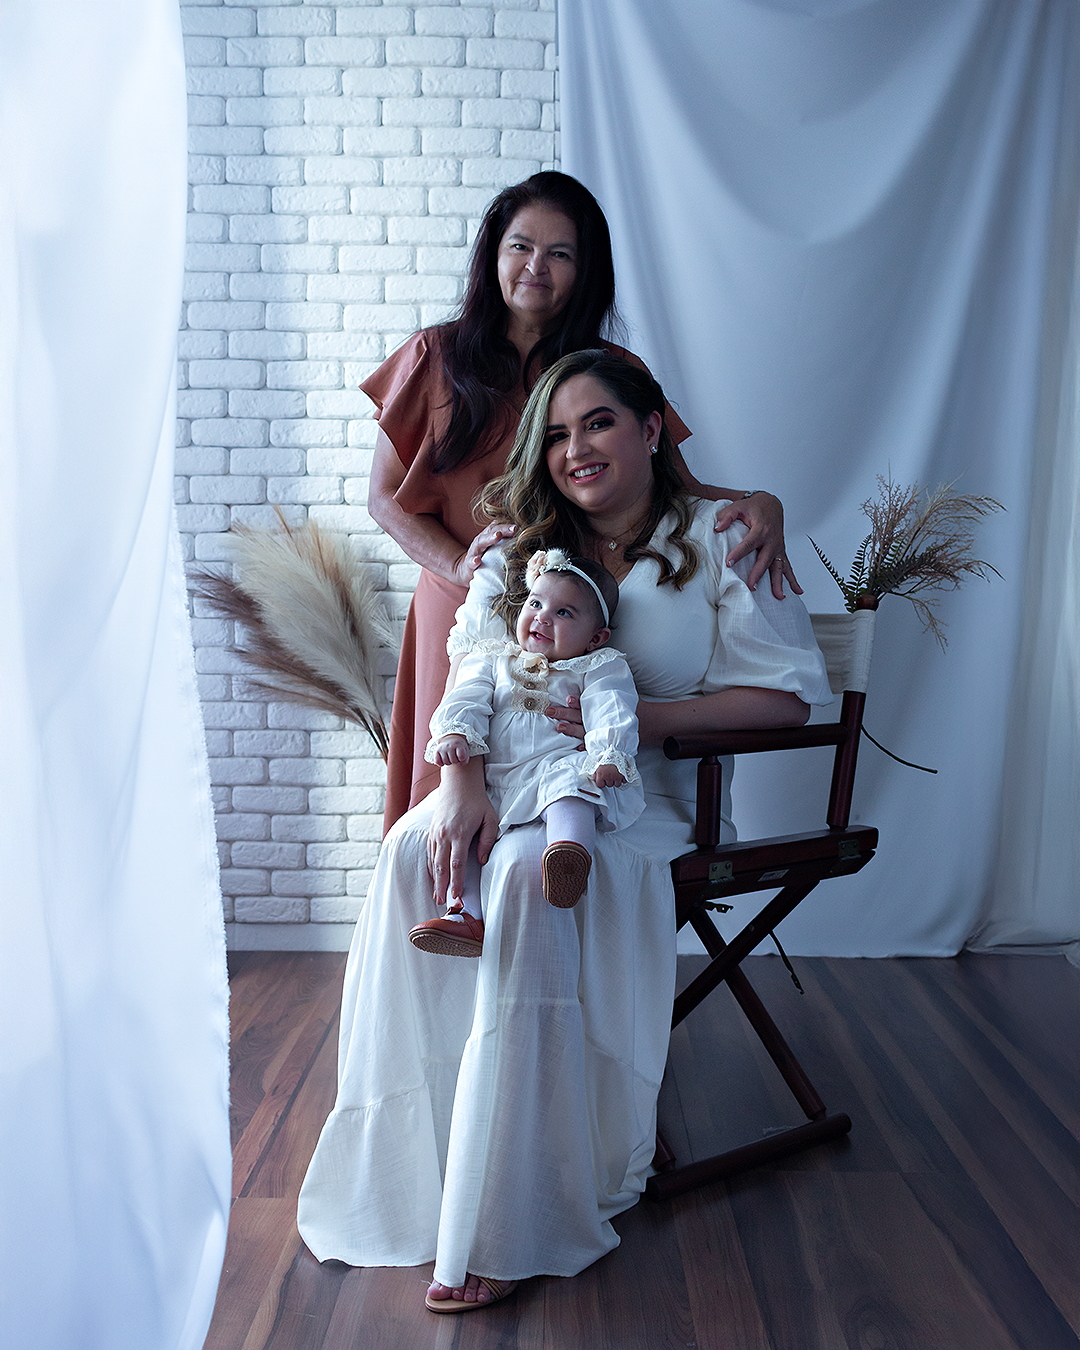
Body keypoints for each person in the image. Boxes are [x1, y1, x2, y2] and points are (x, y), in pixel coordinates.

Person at [296, 350, 832, 1313]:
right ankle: (428, 1177)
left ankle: (516, 1208)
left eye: (598, 423)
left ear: (652, 428)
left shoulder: (722, 535)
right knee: (415, 847)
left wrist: (628, 724)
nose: (575, 448)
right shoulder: (520, 549)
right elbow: (470, 671)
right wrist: (458, 783)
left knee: (523, 876)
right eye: (554, 434)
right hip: (500, 774)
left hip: (642, 796)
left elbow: (787, 699)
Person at [364, 171, 799, 829]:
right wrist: (460, 568)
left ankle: (553, 881)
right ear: (493, 255)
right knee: (449, 785)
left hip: (566, 604)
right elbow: (385, 499)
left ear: (585, 269)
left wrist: (763, 502)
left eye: (559, 253)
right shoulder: (433, 356)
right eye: (520, 246)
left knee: (555, 770)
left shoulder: (608, 371)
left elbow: (678, 486)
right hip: (461, 601)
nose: (535, 267)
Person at [408, 549, 644, 956]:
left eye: (564, 612)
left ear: (596, 638)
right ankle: (464, 914)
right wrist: (455, 732)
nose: (542, 617)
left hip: (556, 763)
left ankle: (569, 855)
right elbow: (466, 696)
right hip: (497, 779)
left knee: (571, 790)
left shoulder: (597, 666)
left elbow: (613, 708)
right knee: (471, 835)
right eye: (536, 603)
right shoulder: (494, 658)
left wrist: (609, 753)